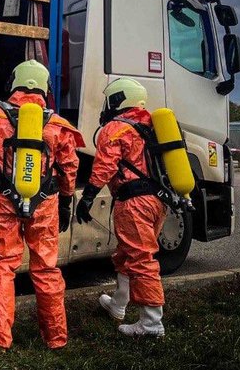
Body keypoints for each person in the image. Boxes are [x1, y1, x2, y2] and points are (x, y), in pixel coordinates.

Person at [0, 60, 83, 350]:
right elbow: (69, 167)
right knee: (46, 268)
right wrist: (66, 201)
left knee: (1, 266)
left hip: (4, 201)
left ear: (13, 84)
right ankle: (55, 338)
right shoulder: (58, 126)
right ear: (46, 88)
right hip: (45, 205)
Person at [75, 77, 166, 338]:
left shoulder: (115, 128)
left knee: (141, 260)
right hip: (157, 201)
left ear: (117, 99)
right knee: (126, 253)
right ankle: (118, 304)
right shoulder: (151, 124)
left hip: (134, 202)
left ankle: (151, 324)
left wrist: (88, 197)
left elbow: (105, 166)